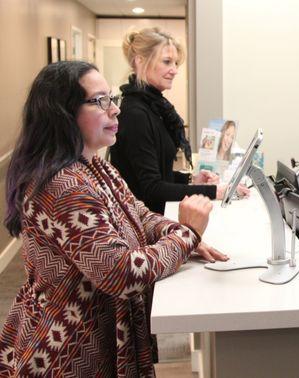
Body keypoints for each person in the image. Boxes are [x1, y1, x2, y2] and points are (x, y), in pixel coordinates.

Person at [0, 61, 215, 376]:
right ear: (63, 113)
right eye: (99, 101)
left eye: (111, 98)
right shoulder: (64, 186)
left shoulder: (95, 167)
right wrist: (186, 236)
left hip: (95, 335)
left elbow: (138, 215)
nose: (115, 110)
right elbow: (120, 273)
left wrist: (177, 232)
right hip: (68, 351)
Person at [110, 27, 248, 216]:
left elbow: (158, 173)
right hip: (144, 224)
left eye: (175, 63)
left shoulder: (154, 107)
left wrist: (192, 180)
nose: (174, 70)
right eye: (167, 62)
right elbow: (151, 188)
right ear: (140, 62)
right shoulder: (135, 114)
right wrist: (216, 191)